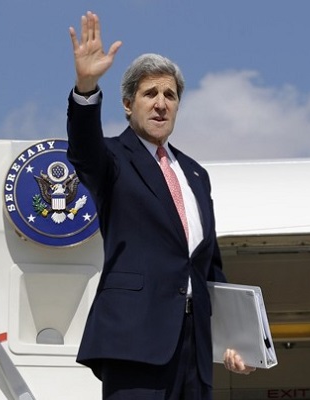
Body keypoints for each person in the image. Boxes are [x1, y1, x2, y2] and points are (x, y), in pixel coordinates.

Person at [66, 11, 254, 400]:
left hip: (194, 350)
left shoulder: (196, 175)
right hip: (135, 341)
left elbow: (209, 267)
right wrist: (86, 88)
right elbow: (84, 149)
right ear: (127, 104)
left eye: (170, 95)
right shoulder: (113, 159)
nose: (161, 104)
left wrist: (237, 340)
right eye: (150, 94)